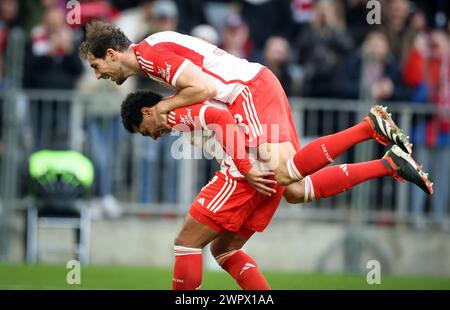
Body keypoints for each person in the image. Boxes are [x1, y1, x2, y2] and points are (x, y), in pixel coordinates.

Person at [80, 21, 433, 288]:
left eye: (97, 66)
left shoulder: (151, 59)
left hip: (247, 91)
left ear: (111, 54)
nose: (98, 76)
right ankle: (389, 164)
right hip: (253, 86)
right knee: (291, 190)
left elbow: (205, 90)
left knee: (277, 177)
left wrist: (165, 110)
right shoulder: (155, 49)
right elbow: (206, 94)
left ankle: (367, 128)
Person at [121, 90, 433, 290]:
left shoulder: (170, 110)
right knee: (228, 246)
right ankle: (387, 164)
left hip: (245, 171)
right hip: (261, 164)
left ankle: (367, 128)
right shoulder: (182, 104)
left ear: (147, 112)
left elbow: (218, 116)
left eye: (143, 131)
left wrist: (245, 168)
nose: (151, 137)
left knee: (186, 243)